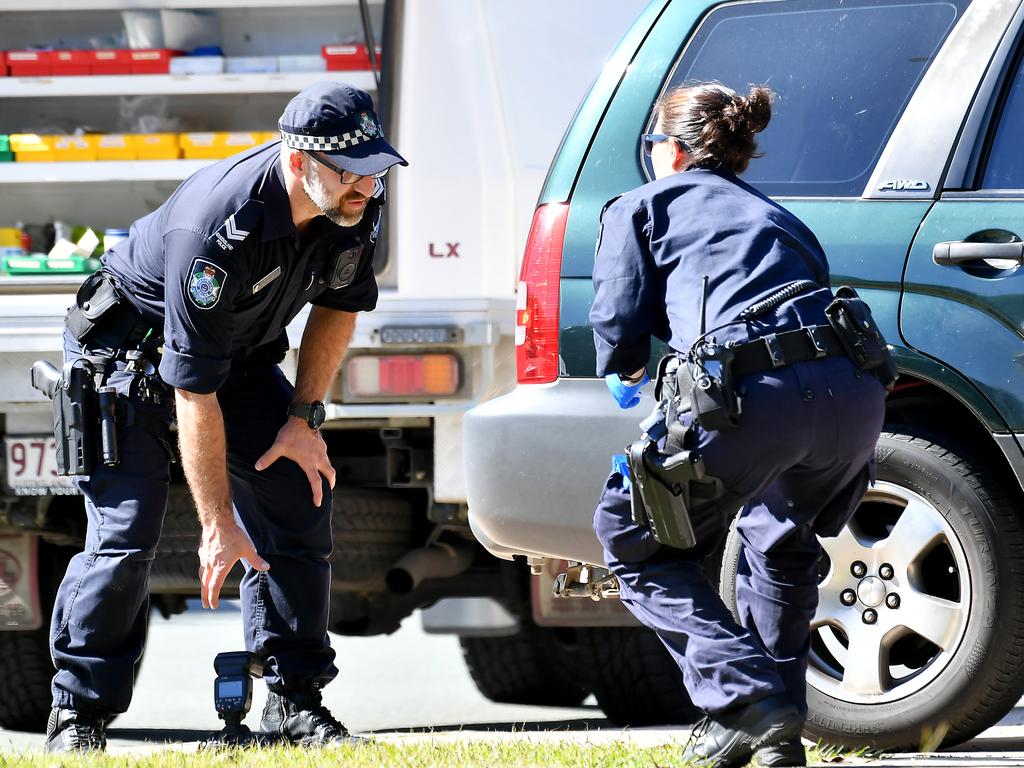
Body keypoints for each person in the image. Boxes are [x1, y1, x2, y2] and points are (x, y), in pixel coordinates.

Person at [44, 81, 407, 753]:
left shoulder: (355, 204)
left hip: (233, 363)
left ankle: (293, 703)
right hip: (129, 363)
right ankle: (78, 715)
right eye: (350, 170)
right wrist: (218, 526)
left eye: (375, 168)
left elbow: (339, 305)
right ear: (298, 162)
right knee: (126, 538)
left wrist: (303, 418)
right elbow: (192, 392)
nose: (367, 186)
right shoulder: (219, 226)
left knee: (296, 492)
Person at [590, 82, 887, 768]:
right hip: (854, 396)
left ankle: (746, 698)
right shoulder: (780, 216)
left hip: (757, 395)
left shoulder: (641, 205)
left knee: (633, 540)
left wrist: (627, 371)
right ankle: (776, 735)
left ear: (669, 149)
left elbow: (618, 328)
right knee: (780, 544)